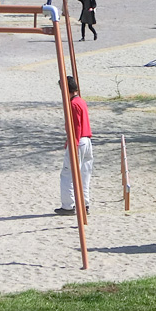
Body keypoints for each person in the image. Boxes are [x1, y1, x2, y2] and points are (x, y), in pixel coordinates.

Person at [55, 76, 93, 216]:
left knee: (68, 173)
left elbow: (76, 125)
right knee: (84, 174)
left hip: (79, 141)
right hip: (87, 139)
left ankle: (68, 205)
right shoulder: (81, 101)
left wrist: (73, 142)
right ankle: (85, 203)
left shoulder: (73, 104)